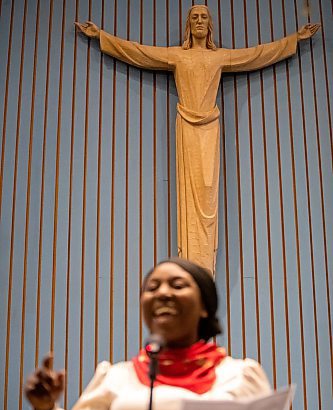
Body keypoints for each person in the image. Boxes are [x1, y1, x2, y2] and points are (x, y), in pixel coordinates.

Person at [75, 5, 320, 275]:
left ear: (210, 25)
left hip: (209, 129)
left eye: (204, 17)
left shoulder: (220, 57)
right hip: (187, 129)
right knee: (188, 196)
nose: (199, 21)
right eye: (194, 17)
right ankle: (192, 265)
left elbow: (256, 55)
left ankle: (205, 266)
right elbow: (139, 52)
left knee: (207, 194)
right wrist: (102, 37)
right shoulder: (177, 56)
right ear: (188, 25)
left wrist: (292, 40)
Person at [21, 257, 292, 410]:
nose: (163, 293)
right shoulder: (116, 377)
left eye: (177, 285)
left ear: (205, 308)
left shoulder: (238, 375)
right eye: (152, 288)